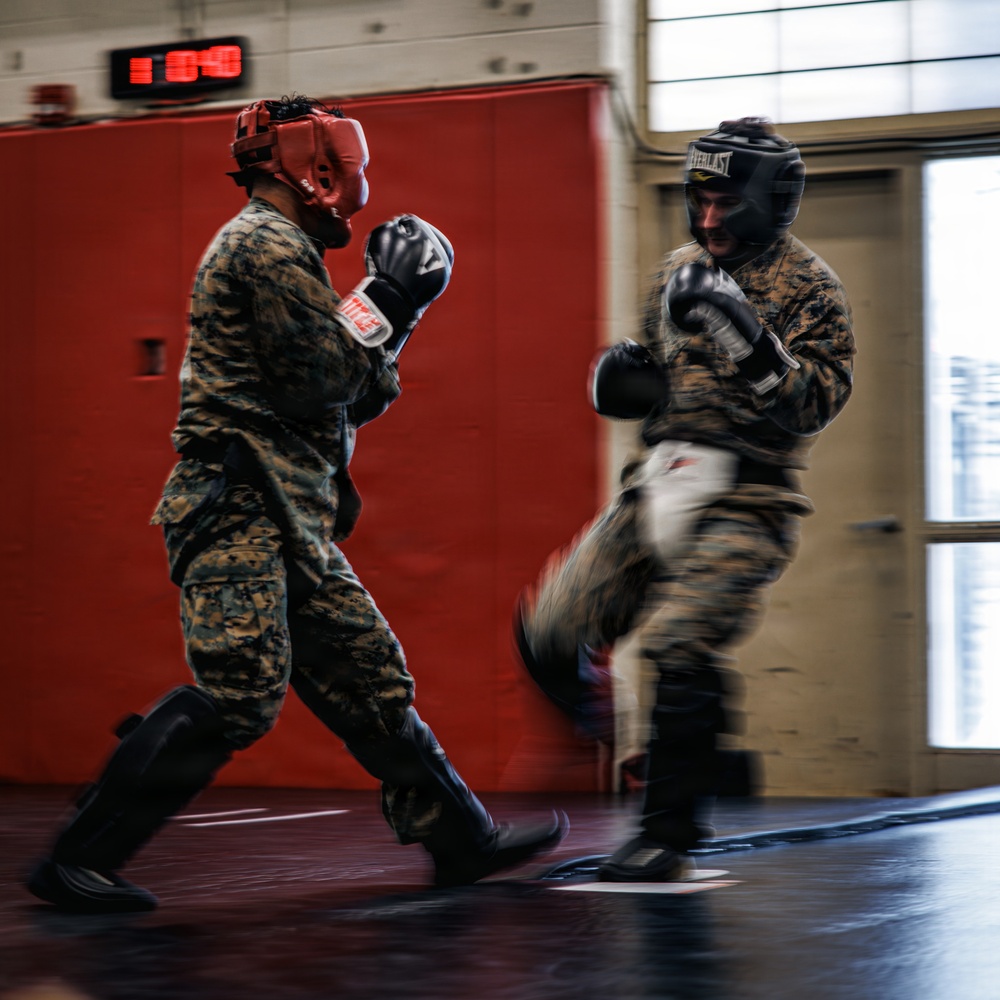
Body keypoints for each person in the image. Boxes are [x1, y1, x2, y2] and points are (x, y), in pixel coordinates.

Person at [27, 95, 566, 913]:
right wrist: (394, 300)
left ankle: (459, 841)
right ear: (313, 164)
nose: (357, 183)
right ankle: (78, 859)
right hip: (238, 505)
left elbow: (343, 394)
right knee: (242, 688)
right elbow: (321, 382)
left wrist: (393, 311)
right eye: (347, 163)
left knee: (367, 676)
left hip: (289, 515)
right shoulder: (265, 247)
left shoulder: (287, 252)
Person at [514, 117, 854, 881]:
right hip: (658, 483)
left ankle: (666, 835)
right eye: (697, 199)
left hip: (750, 498)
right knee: (547, 627)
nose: (707, 219)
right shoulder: (678, 267)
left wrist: (750, 338)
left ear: (770, 201)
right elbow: (656, 375)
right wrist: (627, 381)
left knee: (678, 645)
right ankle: (595, 711)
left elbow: (816, 402)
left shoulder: (812, 288)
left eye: (725, 202)